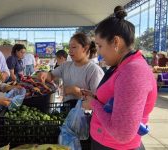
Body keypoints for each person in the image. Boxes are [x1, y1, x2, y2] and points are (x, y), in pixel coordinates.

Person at [83, 6, 157, 149]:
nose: (98, 52)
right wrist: (96, 98)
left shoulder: (133, 72)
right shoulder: (123, 66)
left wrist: (93, 104)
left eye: (100, 46)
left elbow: (122, 133)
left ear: (116, 42)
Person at [37, 33, 104, 108]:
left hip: (83, 113)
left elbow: (98, 100)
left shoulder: (94, 70)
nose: (70, 51)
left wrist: (75, 91)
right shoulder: (66, 66)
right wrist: (45, 74)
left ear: (85, 48)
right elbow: (51, 76)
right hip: (66, 107)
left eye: (74, 47)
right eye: (69, 48)